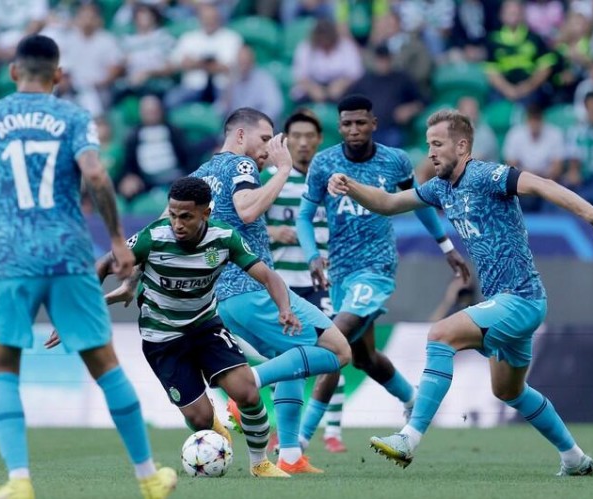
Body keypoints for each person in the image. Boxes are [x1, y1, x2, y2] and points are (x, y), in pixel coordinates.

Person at [0, 35, 176, 499]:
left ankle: (19, 481)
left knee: (3, 367)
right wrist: (116, 240)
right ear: (58, 74)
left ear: (13, 72)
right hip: (69, 255)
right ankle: (148, 478)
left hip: (12, 257)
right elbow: (95, 174)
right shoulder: (74, 117)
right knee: (105, 365)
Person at [328, 108, 593, 475]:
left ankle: (409, 437)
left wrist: (590, 212)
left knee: (440, 334)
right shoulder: (440, 188)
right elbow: (388, 203)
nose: (431, 153)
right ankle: (574, 458)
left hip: (521, 298)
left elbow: (540, 184)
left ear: (462, 146)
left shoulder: (486, 175)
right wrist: (350, 185)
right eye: (428, 145)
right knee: (509, 391)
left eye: (438, 144)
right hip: (506, 303)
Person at [57, 176, 292, 478]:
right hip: (162, 337)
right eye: (173, 215)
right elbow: (104, 263)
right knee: (200, 419)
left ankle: (260, 463)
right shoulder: (153, 237)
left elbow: (268, 276)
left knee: (247, 393)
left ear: (206, 213)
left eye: (186, 217)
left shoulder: (224, 237)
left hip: (205, 326)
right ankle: (213, 426)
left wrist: (285, 309)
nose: (177, 224)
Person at [296, 95, 470, 452]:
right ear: (339, 126)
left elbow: (419, 202)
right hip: (340, 271)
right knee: (363, 357)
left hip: (376, 268)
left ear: (373, 123)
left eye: (361, 122)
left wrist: (446, 246)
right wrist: (313, 255)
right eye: (347, 124)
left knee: (334, 339)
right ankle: (412, 399)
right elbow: (304, 215)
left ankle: (298, 442)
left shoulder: (395, 160)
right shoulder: (324, 163)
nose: (354, 129)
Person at [190, 107, 352, 474]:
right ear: (240, 135)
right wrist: (283, 169)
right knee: (339, 351)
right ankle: (249, 384)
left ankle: (290, 455)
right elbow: (247, 210)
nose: (270, 147)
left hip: (224, 299)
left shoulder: (200, 175)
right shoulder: (242, 165)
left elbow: (172, 228)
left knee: (291, 360)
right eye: (265, 138)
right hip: (254, 289)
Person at [260, 109, 347, 453]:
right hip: (282, 284)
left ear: (319, 140)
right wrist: (272, 232)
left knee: (333, 351)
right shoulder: (271, 178)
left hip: (322, 283)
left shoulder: (331, 181)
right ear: (286, 140)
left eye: (310, 136)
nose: (303, 142)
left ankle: (332, 431)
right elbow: (245, 220)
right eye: (296, 136)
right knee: (285, 357)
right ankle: (282, 430)